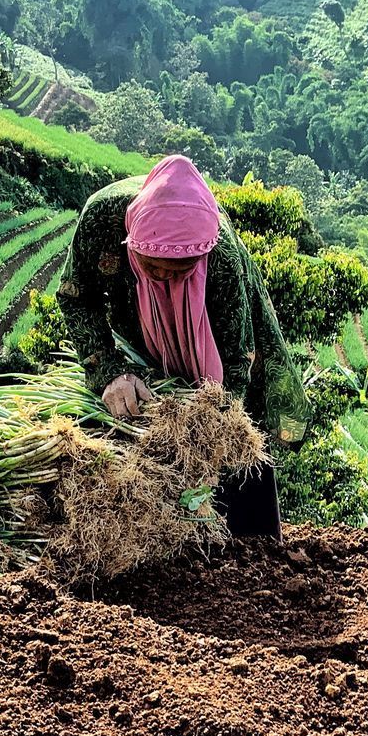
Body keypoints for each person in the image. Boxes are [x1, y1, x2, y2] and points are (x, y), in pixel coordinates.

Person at [57, 154, 311, 538]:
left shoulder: (221, 260)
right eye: (152, 265)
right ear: (132, 240)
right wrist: (109, 372)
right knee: (141, 433)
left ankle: (254, 550)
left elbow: (236, 360)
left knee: (235, 451)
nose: (163, 277)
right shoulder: (101, 220)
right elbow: (76, 296)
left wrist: (211, 431)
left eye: (179, 272)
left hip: (212, 349)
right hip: (138, 334)